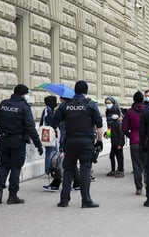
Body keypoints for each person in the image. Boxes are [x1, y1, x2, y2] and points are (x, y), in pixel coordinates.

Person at [0, 84, 43, 204]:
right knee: (15, 168)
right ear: (23, 94)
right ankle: (12, 196)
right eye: (27, 94)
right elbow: (30, 127)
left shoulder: (4, 104)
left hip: (3, 140)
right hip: (18, 141)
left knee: (4, 165)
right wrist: (38, 144)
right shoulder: (24, 106)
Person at [53, 80, 103, 208]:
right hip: (86, 142)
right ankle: (86, 200)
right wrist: (100, 141)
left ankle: (64, 200)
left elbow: (54, 122)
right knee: (85, 169)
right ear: (86, 91)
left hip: (70, 141)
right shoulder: (90, 104)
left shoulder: (66, 105)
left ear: (75, 91)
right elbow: (99, 125)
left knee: (68, 169)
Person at [43, 97, 81, 192]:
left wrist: (56, 113)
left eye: (60, 99)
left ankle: (57, 184)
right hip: (70, 140)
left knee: (61, 163)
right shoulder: (73, 109)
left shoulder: (64, 110)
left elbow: (56, 124)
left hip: (66, 141)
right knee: (68, 163)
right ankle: (76, 183)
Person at [123, 91, 147, 195]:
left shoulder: (129, 112)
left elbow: (124, 128)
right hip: (146, 141)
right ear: (143, 100)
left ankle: (139, 187)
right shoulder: (147, 110)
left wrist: (131, 135)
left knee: (136, 166)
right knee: (148, 165)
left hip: (134, 140)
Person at [104, 96, 125, 178]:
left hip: (118, 138)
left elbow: (121, 129)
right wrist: (107, 134)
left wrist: (121, 142)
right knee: (112, 155)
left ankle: (120, 170)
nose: (107, 105)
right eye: (106, 103)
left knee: (119, 156)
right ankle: (113, 170)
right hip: (113, 138)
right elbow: (110, 126)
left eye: (109, 103)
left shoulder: (117, 111)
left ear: (113, 103)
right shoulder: (108, 112)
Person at [40, 95, 58, 176]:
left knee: (53, 151)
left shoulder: (48, 109)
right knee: (50, 152)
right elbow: (52, 121)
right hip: (49, 134)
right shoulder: (48, 110)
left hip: (49, 134)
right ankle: (48, 171)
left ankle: (52, 169)